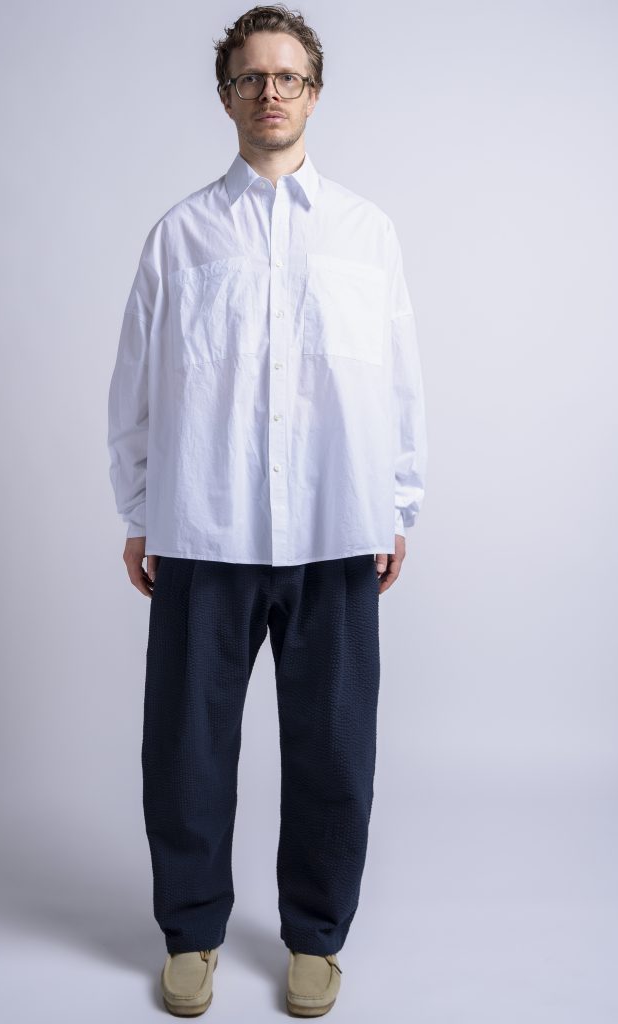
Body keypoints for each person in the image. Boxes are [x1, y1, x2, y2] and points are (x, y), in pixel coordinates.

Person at [107, 4, 427, 1016]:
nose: (270, 93)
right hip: (205, 525)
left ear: (314, 94)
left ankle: (315, 936)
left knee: (334, 748)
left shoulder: (366, 233)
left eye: (288, 77)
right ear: (226, 96)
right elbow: (137, 386)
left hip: (337, 525)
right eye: (251, 77)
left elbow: (398, 378)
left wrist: (395, 502)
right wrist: (140, 509)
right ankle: (191, 931)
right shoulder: (181, 236)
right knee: (184, 748)